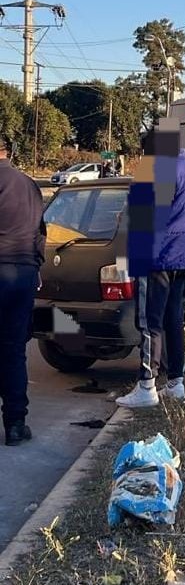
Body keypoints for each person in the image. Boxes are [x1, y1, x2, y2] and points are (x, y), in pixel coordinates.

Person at [116, 119, 185, 409]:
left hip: (160, 253)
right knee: (172, 318)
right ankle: (176, 383)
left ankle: (146, 385)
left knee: (148, 320)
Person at [0, 138, 46, 445]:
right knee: (14, 349)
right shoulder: (30, 185)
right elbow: (41, 232)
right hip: (25, 273)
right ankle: (15, 425)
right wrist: (36, 266)